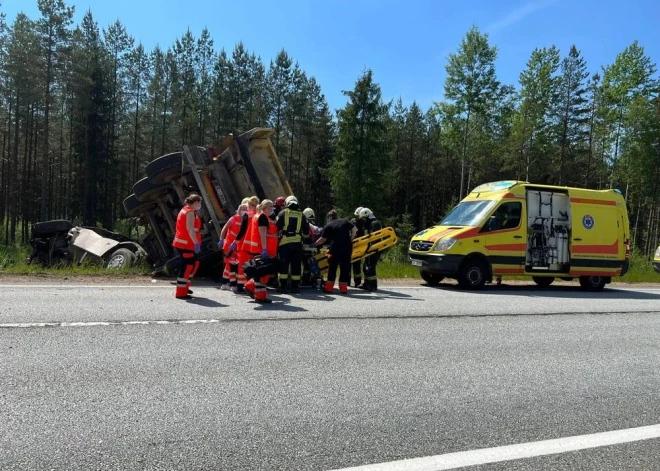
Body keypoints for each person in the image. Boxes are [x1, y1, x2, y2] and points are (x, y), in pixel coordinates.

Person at [243, 199, 278, 303]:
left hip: (260, 248)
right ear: (266, 208)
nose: (272, 209)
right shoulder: (262, 217)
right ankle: (258, 294)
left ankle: (259, 294)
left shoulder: (260, 216)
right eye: (271, 207)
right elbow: (262, 234)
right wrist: (265, 249)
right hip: (263, 248)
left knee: (262, 273)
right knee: (263, 273)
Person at [315, 210, 357, 294]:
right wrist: (350, 239)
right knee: (345, 267)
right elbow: (354, 229)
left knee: (332, 267)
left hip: (335, 248)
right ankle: (343, 288)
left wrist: (314, 244)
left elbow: (323, 239)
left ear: (329, 217)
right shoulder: (345, 221)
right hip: (347, 248)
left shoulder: (329, 225)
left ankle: (329, 288)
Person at [171, 194, 203, 299]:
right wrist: (196, 243)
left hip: (185, 243)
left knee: (193, 264)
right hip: (186, 244)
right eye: (199, 202)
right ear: (195, 203)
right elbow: (190, 229)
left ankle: (185, 287)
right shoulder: (189, 212)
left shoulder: (186, 210)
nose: (199, 204)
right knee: (187, 267)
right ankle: (181, 292)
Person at [276, 195, 309, 294]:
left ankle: (283, 287)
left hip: (284, 244)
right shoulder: (302, 214)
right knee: (296, 266)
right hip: (297, 244)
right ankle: (295, 287)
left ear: (287, 203)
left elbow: (276, 227)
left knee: (283, 265)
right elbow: (306, 233)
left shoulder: (282, 213)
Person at [217, 202, 248, 292]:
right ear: (238, 210)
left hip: (236, 245)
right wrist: (221, 239)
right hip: (230, 245)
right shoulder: (234, 218)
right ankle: (233, 285)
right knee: (231, 265)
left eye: (246, 209)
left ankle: (225, 283)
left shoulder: (245, 220)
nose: (244, 211)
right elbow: (225, 228)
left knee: (230, 265)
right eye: (242, 209)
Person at [232, 196, 259, 293]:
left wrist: (235, 241)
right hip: (256, 246)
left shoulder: (247, 215)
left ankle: (241, 286)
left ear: (250, 206)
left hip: (244, 244)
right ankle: (252, 285)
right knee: (254, 266)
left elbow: (242, 230)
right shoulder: (260, 215)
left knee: (242, 266)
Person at [359, 207, 383, 291]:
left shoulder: (375, 223)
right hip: (369, 248)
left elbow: (374, 237)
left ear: (367, 215)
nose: (363, 220)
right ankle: (366, 283)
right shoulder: (369, 223)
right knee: (365, 266)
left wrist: (371, 247)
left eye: (364, 218)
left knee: (371, 267)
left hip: (375, 248)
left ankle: (373, 285)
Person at [301, 207, 322, 286]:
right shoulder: (315, 227)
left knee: (305, 263)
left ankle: (305, 279)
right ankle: (312, 278)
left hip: (305, 247)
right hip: (313, 247)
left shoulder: (305, 224)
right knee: (310, 263)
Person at [350, 206, 366, 288]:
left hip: (359, 245)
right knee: (352, 263)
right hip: (354, 244)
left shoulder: (363, 222)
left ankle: (357, 282)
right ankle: (351, 281)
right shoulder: (354, 221)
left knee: (356, 264)